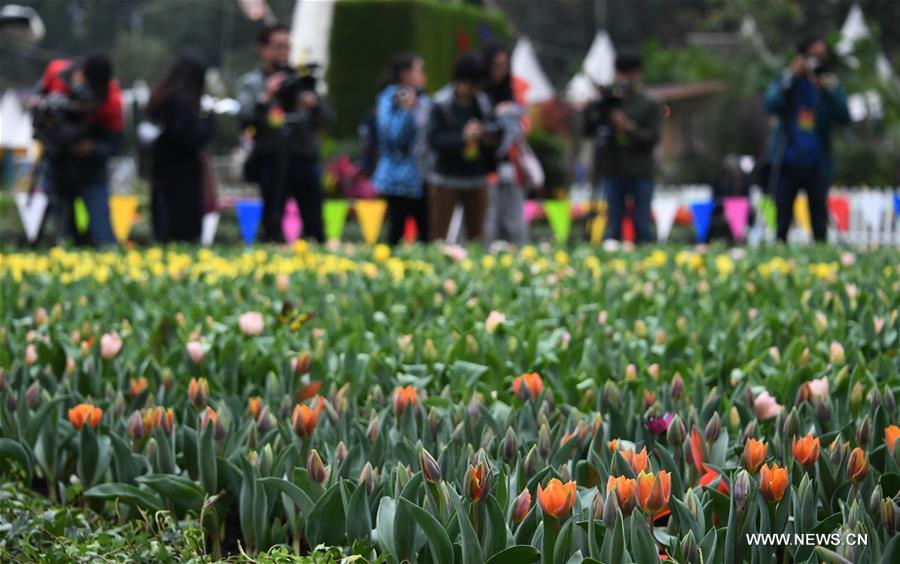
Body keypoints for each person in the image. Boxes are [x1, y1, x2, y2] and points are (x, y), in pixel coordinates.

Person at [237, 23, 331, 243]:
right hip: (270, 159)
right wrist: (266, 96)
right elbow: (244, 121)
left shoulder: (300, 80)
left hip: (303, 155)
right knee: (272, 221)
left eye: (287, 47)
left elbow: (327, 119)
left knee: (314, 223)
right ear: (263, 49)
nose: (284, 53)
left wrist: (313, 105)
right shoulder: (252, 83)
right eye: (278, 47)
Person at [764, 36, 850, 242]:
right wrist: (791, 78)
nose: (818, 60)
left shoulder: (829, 83)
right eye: (813, 55)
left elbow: (844, 116)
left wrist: (827, 91)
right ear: (802, 56)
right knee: (782, 215)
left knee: (819, 219)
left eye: (822, 56)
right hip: (788, 159)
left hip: (817, 163)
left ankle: (821, 253)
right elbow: (770, 104)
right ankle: (779, 251)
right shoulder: (788, 80)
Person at [34, 52, 122, 246]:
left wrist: (91, 148)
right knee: (65, 234)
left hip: (91, 172)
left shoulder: (112, 100)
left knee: (102, 235)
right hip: (58, 166)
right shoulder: (55, 73)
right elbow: (38, 112)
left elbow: (115, 144)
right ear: (79, 72)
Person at [585, 51, 661, 243]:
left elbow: (652, 138)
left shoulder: (649, 102)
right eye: (621, 72)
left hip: (641, 171)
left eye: (629, 73)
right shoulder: (608, 99)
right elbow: (588, 129)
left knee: (642, 223)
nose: (625, 78)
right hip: (612, 168)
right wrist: (592, 107)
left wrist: (627, 127)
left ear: (637, 73)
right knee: (613, 224)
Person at [427, 53, 498, 242]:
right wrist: (462, 138)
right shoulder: (441, 104)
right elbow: (433, 139)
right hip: (446, 178)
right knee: (439, 236)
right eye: (474, 84)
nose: (477, 89)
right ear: (463, 81)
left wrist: (484, 134)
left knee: (477, 237)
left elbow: (495, 129)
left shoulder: (483, 103)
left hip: (476, 177)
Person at [146, 54, 215, 243]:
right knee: (183, 233)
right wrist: (209, 120)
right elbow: (194, 137)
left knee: (164, 230)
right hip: (183, 178)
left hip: (161, 173)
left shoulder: (162, 99)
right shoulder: (183, 104)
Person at [372, 53, 430, 244]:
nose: (423, 75)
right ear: (405, 74)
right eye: (419, 70)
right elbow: (393, 137)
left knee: (427, 230)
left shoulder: (424, 100)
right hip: (397, 179)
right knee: (396, 229)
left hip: (422, 175)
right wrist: (405, 110)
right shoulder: (389, 99)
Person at [481, 43, 531, 246]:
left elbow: (527, 123)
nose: (499, 70)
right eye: (495, 65)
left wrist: (512, 119)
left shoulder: (515, 87)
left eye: (504, 65)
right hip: (485, 165)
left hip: (511, 164)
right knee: (488, 219)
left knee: (514, 221)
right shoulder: (479, 92)